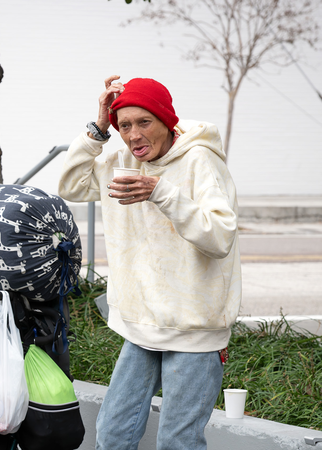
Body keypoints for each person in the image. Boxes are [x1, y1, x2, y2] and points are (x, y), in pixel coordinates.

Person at [58, 76, 241, 449]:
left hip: (194, 327)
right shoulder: (122, 160)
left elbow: (220, 235)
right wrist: (98, 128)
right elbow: (72, 187)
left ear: (166, 121)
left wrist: (162, 192)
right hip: (140, 324)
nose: (134, 135)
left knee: (178, 441)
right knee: (112, 435)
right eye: (125, 125)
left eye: (144, 122)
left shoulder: (199, 160)